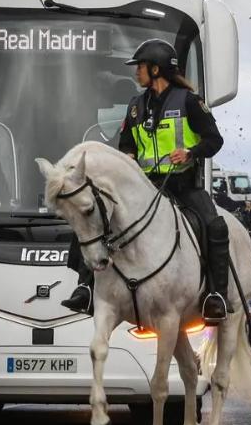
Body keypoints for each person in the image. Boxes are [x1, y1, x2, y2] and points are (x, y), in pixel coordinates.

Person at [60, 39, 230, 324]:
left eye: (139, 67)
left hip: (183, 185)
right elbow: (127, 143)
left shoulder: (189, 101)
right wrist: (127, 156)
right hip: (145, 188)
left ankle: (215, 295)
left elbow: (215, 140)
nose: (135, 72)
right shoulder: (137, 106)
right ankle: (85, 287)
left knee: (215, 225)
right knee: (93, 217)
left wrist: (190, 152)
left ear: (155, 69)